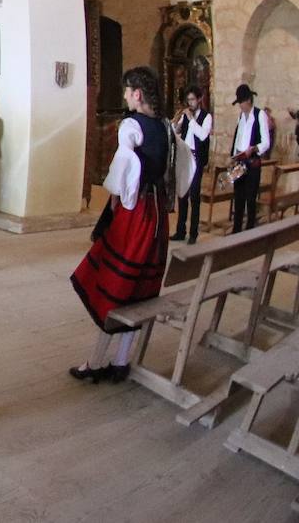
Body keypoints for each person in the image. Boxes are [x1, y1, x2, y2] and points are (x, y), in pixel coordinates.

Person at [70, 66, 191, 383]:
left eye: (126, 90)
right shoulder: (167, 127)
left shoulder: (131, 126)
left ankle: (96, 363)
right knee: (141, 290)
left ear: (137, 93)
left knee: (115, 286)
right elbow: (182, 167)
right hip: (157, 219)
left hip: (134, 213)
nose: (124, 96)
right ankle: (121, 361)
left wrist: (115, 199)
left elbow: (123, 171)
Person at [171, 86, 211, 244]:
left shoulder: (207, 117)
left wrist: (191, 120)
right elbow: (176, 132)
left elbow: (202, 135)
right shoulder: (186, 116)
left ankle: (193, 233)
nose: (190, 103)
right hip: (184, 158)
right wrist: (176, 124)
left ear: (200, 99)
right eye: (188, 100)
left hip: (197, 159)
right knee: (182, 195)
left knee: (194, 196)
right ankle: (181, 230)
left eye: (193, 100)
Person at [229, 83, 270, 234]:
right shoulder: (240, 116)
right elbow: (238, 137)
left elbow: (266, 142)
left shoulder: (260, 115)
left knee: (250, 198)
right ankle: (236, 230)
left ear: (248, 101)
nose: (240, 105)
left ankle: (250, 231)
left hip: (252, 163)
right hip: (239, 162)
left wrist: (253, 149)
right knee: (238, 197)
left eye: (241, 102)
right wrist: (233, 156)